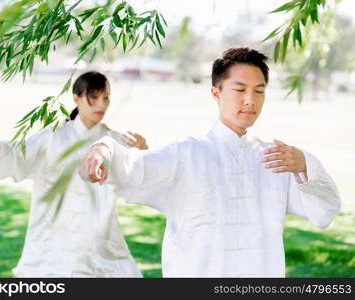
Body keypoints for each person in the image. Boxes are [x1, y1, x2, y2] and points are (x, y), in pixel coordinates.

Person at [80, 48, 341, 277]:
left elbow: (323, 213)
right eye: (240, 90)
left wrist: (306, 165)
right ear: (216, 92)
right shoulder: (187, 155)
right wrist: (105, 148)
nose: (250, 100)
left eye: (259, 91)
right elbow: (136, 167)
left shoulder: (278, 159)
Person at [0, 71, 148, 277]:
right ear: (76, 98)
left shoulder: (114, 142)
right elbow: (19, 155)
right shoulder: (53, 137)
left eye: (106, 98)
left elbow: (136, 181)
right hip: (54, 231)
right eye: (93, 98)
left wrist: (141, 153)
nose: (101, 105)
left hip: (97, 234)